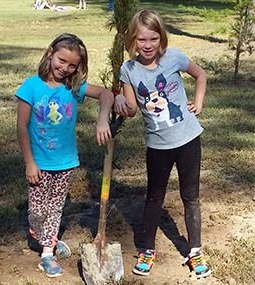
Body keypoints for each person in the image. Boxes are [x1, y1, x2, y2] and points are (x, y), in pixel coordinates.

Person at [114, 9, 211, 279]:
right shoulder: (128, 70)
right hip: (158, 146)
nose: (147, 45)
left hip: (188, 139)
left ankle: (194, 251)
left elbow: (200, 75)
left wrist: (198, 103)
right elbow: (132, 108)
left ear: (161, 38)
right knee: (154, 197)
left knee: (190, 196)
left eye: (153, 39)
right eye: (141, 39)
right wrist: (122, 104)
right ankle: (147, 249)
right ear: (132, 40)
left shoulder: (174, 58)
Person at [16, 33, 114, 278]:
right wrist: (29, 162)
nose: (65, 68)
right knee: (38, 212)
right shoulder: (31, 86)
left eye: (73, 65)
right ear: (50, 53)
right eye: (61, 61)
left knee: (56, 207)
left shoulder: (73, 87)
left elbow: (106, 94)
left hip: (65, 162)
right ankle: (44, 234)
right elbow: (21, 127)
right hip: (38, 162)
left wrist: (102, 119)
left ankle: (47, 253)